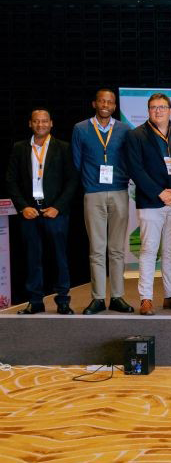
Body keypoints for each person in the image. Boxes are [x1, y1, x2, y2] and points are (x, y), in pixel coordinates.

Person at [6, 109, 78, 314]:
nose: (40, 125)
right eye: (36, 121)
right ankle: (35, 301)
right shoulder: (19, 148)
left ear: (51, 123)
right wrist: (23, 207)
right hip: (29, 211)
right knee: (32, 258)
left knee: (60, 257)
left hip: (55, 211)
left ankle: (63, 300)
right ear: (30, 124)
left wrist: (58, 207)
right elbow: (10, 181)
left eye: (44, 121)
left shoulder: (63, 148)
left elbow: (72, 180)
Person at [125, 93, 171, 315]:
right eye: (153, 107)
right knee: (149, 250)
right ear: (148, 111)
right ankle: (146, 298)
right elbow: (136, 169)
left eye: (162, 107)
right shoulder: (136, 135)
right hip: (151, 202)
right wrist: (159, 193)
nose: (158, 111)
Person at [72, 88, 134, 315]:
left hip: (119, 191)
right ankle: (97, 298)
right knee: (97, 249)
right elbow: (77, 163)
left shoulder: (125, 130)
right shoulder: (80, 129)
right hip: (93, 193)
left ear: (114, 106)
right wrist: (89, 185)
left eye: (110, 102)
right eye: (102, 101)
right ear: (94, 103)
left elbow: (130, 160)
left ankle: (117, 296)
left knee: (117, 249)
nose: (106, 105)